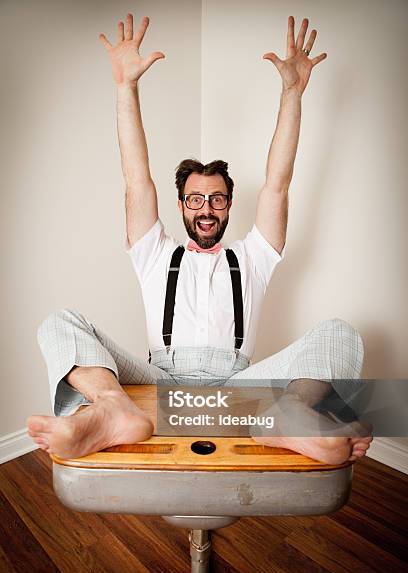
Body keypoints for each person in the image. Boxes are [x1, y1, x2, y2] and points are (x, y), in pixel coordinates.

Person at [27, 14, 372, 464]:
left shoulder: (254, 256)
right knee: (59, 321)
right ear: (180, 206)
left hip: (237, 386)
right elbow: (136, 179)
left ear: (229, 206)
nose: (206, 208)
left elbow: (277, 183)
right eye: (195, 200)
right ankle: (112, 410)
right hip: (162, 379)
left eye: (216, 199)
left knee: (341, 334)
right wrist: (124, 87)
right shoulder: (154, 252)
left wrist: (292, 93)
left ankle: (292, 413)